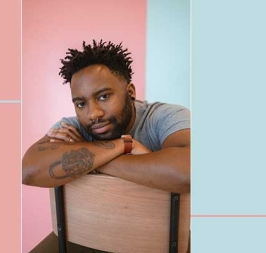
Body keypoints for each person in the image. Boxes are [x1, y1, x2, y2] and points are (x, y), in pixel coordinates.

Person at [22, 40, 191, 253]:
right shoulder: (72, 127)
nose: (93, 114)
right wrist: (123, 146)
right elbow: (28, 170)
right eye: (81, 104)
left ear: (130, 91)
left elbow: (190, 172)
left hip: (159, 242)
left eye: (103, 97)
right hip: (89, 236)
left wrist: (88, 156)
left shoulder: (166, 116)